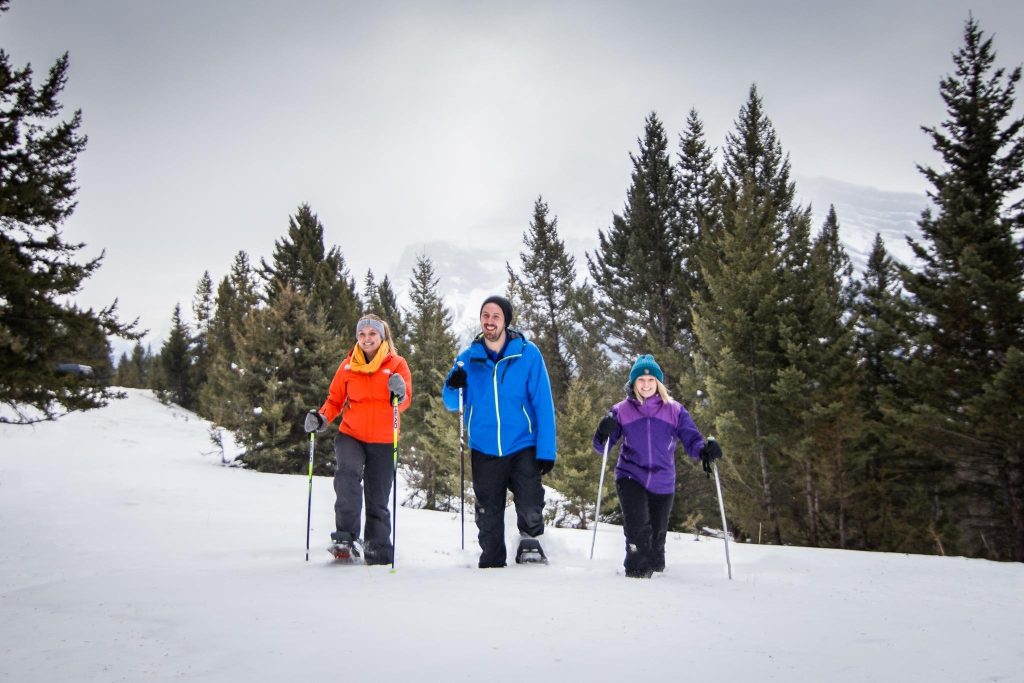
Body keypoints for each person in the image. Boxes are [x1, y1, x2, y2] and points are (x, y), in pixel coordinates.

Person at [443, 295, 557, 567]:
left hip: (522, 443)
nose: (490, 321)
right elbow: (452, 402)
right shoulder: (468, 359)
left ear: (505, 321)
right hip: (484, 447)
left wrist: (546, 450)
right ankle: (492, 562)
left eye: (496, 316)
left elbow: (543, 403)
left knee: (530, 501)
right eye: (485, 315)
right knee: (488, 512)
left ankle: (530, 542)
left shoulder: (528, 354)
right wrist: (453, 384)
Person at [593, 354, 722, 578]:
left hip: (663, 479)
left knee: (657, 536)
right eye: (641, 380)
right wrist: (602, 432)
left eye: (651, 380)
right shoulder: (621, 410)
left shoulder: (675, 410)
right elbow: (601, 447)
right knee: (637, 527)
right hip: (630, 475)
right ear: (633, 383)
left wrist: (705, 451)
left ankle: (657, 574)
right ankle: (636, 573)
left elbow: (692, 440)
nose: (646, 384)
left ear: (658, 383)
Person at [304, 314, 412, 565]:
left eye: (372, 334)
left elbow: (405, 401)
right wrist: (321, 418)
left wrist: (400, 393)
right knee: (347, 477)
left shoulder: (397, 364)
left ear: (382, 337)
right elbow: (334, 400)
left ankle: (378, 547)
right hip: (351, 435)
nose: (366, 339)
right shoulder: (347, 366)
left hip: (384, 439)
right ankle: (345, 538)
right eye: (362, 334)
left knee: (378, 497)